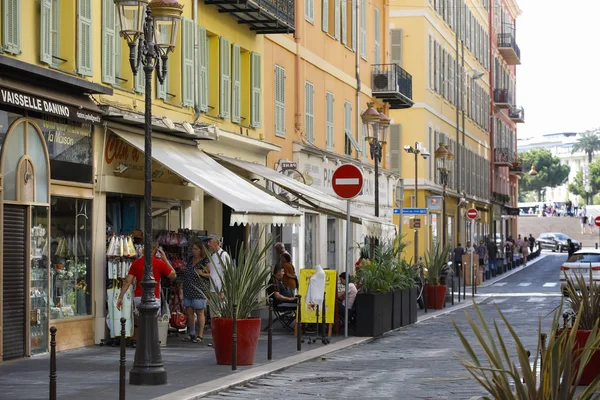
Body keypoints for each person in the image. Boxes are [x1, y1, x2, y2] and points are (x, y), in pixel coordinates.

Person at [116, 241, 177, 312]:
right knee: (153, 321)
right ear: (156, 250)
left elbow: (127, 281)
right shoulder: (160, 263)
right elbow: (174, 275)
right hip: (154, 297)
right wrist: (165, 260)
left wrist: (120, 297)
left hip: (139, 297)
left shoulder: (136, 263)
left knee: (140, 320)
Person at [181, 241, 210, 343]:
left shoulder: (205, 261)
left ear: (201, 250)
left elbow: (211, 274)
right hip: (188, 288)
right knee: (189, 312)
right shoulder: (190, 259)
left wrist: (202, 273)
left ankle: (200, 334)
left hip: (199, 289)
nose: (194, 251)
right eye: (193, 249)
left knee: (200, 311)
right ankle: (192, 333)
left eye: (196, 249)